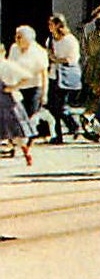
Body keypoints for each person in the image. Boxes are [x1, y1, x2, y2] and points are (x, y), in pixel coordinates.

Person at [43, 13, 84, 143]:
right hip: (54, 75)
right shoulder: (50, 40)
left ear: (58, 25)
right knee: (53, 106)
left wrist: (56, 59)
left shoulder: (69, 40)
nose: (49, 27)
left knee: (61, 106)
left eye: (51, 24)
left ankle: (74, 125)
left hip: (66, 74)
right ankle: (59, 134)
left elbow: (72, 58)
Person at [8, 26, 50, 130]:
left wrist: (44, 94)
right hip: (18, 87)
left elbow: (44, 74)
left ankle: (27, 141)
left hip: (34, 87)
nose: (16, 39)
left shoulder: (39, 52)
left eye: (19, 37)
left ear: (28, 39)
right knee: (17, 115)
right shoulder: (14, 49)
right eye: (16, 37)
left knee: (30, 116)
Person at [0, 50, 34, 166]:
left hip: (10, 103)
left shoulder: (9, 66)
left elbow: (28, 77)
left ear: (2, 52)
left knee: (17, 133)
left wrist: (14, 87)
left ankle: (26, 154)